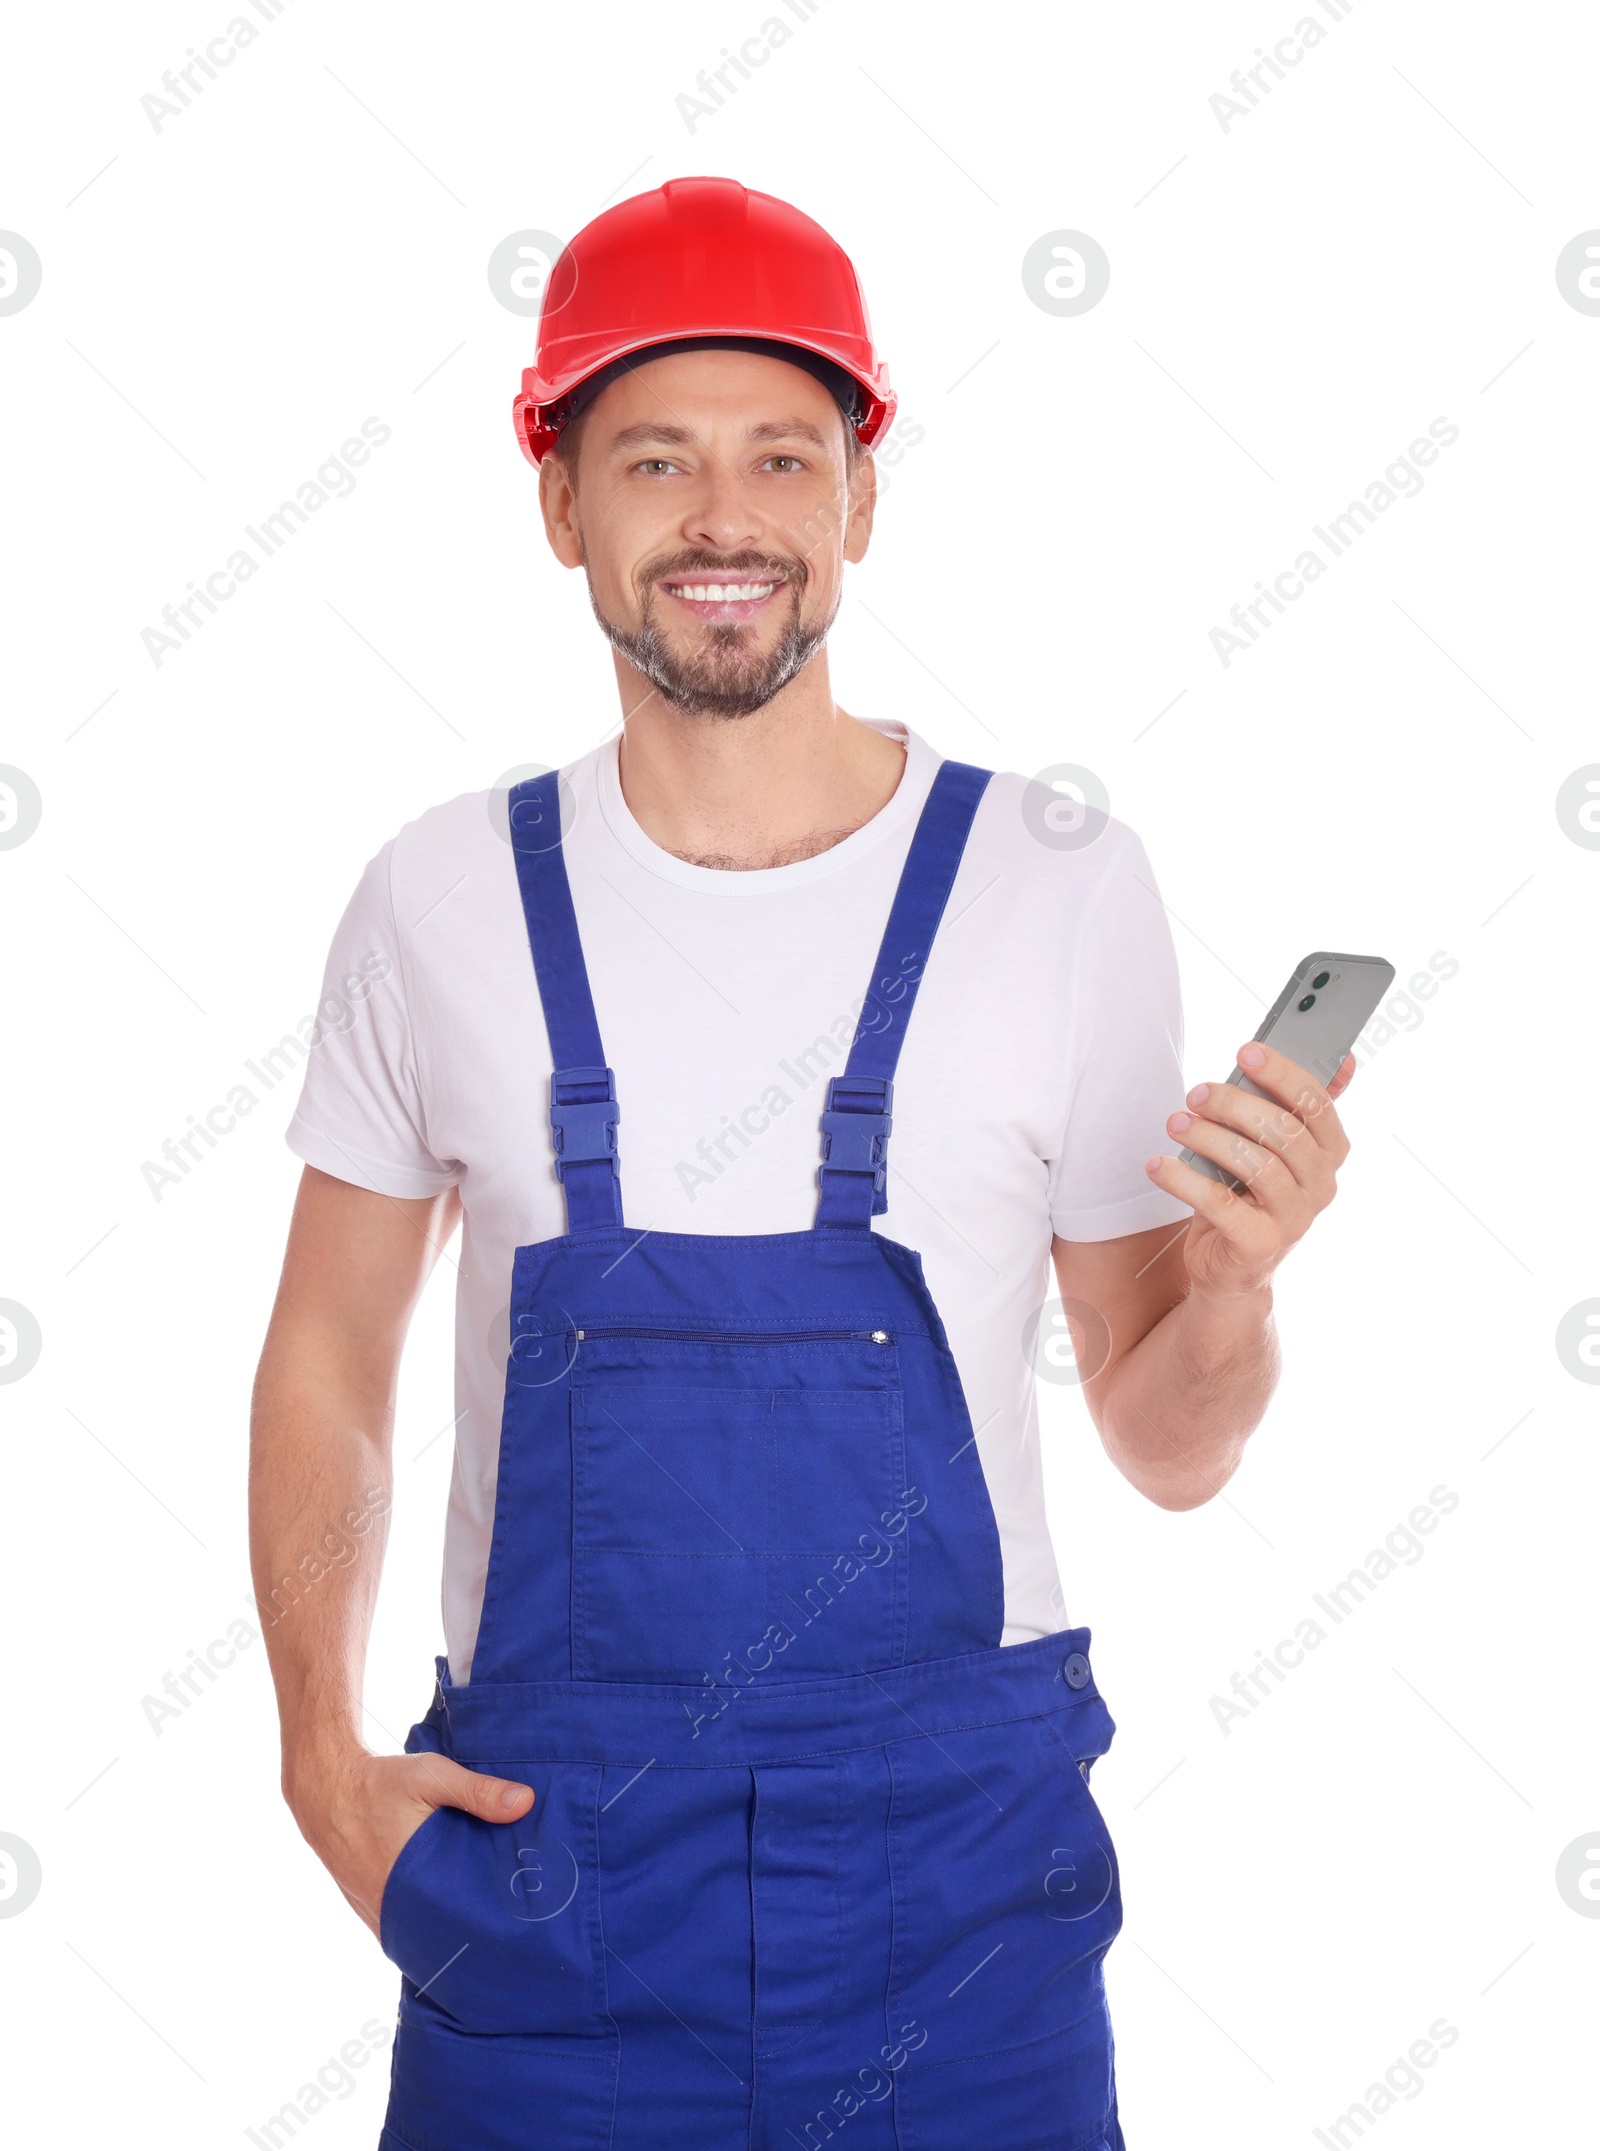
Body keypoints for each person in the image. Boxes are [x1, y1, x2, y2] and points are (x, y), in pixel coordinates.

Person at [250, 176, 1356, 2151]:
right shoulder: (435, 897)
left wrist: (1240, 1286)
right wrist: (317, 1758)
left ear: (859, 494)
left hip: (964, 1939)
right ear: (557, 503)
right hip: (546, 1920)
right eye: (651, 456)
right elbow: (328, 1352)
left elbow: (1166, 1440)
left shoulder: (1056, 885)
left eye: (780, 451)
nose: (721, 515)